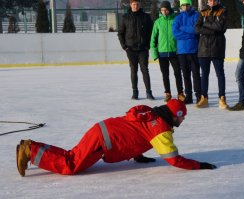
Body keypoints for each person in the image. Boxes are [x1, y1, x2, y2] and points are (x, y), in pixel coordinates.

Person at [16, 99, 217, 176]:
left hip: (102, 129)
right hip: (104, 141)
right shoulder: (161, 130)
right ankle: (30, 151)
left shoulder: (152, 113)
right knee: (71, 165)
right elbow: (175, 160)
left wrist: (138, 155)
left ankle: (30, 145)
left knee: (71, 155)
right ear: (176, 116)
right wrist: (199, 165)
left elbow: (137, 132)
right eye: (183, 118)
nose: (183, 122)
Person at [194, 0, 228, 109]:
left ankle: (222, 98)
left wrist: (205, 24)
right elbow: (196, 28)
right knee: (204, 74)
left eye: (214, 0)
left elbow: (220, 27)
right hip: (203, 48)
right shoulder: (202, 11)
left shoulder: (223, 11)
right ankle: (204, 98)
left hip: (217, 48)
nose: (212, 1)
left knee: (220, 74)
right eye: (210, 0)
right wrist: (211, 30)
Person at [118, 0, 155, 100]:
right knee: (133, 70)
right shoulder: (125, 17)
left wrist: (148, 45)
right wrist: (124, 47)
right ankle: (135, 92)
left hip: (143, 49)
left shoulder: (146, 17)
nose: (136, 6)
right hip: (130, 49)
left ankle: (149, 92)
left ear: (140, 5)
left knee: (145, 70)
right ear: (130, 5)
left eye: (137, 4)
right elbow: (120, 33)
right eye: (134, 4)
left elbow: (150, 32)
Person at [150, 1, 185, 102]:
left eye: (166, 9)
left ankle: (180, 93)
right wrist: (155, 53)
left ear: (169, 9)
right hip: (162, 53)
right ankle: (168, 93)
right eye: (162, 10)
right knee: (165, 74)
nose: (164, 11)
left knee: (178, 73)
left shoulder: (175, 20)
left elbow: (180, 35)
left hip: (175, 52)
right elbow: (153, 39)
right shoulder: (157, 22)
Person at [172, 0, 201, 104]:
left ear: (190, 5)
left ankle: (198, 95)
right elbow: (175, 33)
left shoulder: (196, 15)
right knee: (185, 74)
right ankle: (188, 96)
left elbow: (196, 30)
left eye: (186, 4)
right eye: (183, 5)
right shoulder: (178, 17)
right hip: (182, 51)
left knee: (196, 74)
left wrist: (183, 28)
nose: (185, 7)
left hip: (194, 50)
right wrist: (190, 34)